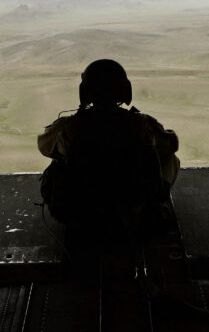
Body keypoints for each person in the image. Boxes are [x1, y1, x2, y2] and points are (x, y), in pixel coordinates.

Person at [38, 59, 179, 238]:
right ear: (124, 90)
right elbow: (171, 145)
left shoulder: (69, 127)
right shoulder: (141, 125)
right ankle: (151, 207)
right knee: (169, 158)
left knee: (57, 159)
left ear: (86, 92)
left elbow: (44, 147)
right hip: (135, 213)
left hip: (82, 216)